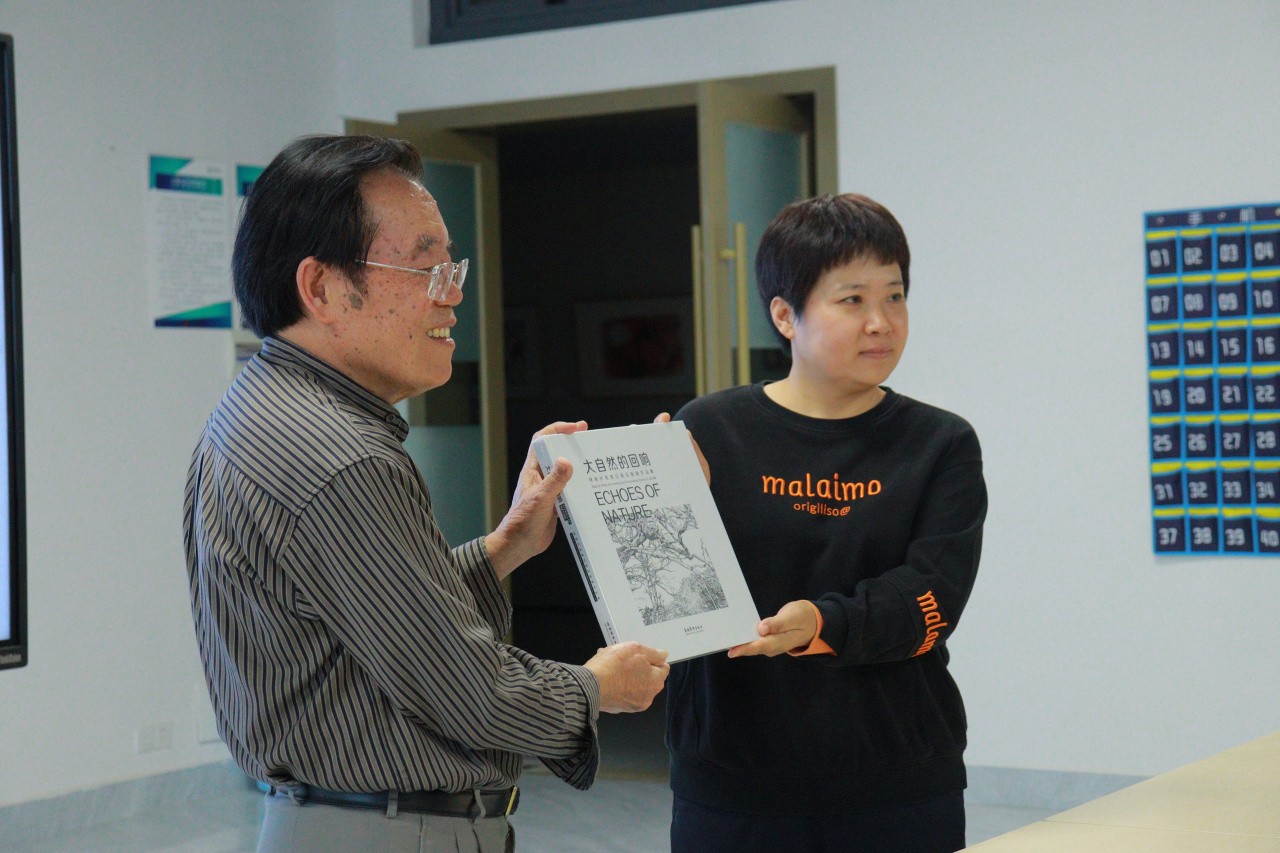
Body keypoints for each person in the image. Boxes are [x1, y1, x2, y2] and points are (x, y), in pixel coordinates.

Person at [183, 134, 670, 853]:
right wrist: (597, 685)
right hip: (386, 831)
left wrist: (505, 545)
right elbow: (471, 692)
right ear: (321, 289)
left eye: (451, 265)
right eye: (423, 266)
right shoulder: (342, 458)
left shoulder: (262, 406)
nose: (453, 291)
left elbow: (375, 626)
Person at [666, 194, 987, 853]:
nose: (881, 322)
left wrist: (822, 623)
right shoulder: (711, 429)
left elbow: (932, 599)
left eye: (895, 297)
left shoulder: (940, 443)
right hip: (733, 781)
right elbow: (670, 591)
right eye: (852, 300)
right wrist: (656, 504)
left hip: (895, 782)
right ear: (785, 314)